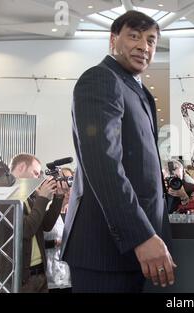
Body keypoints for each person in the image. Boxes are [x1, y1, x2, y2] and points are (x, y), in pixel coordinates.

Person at [61, 11, 175, 293]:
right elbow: (104, 164)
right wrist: (140, 236)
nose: (143, 47)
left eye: (151, 40)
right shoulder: (101, 79)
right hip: (106, 250)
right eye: (134, 36)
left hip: (129, 250)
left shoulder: (135, 88)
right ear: (113, 40)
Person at [0, 154, 68, 293]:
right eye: (35, 172)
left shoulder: (28, 193)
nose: (38, 177)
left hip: (40, 273)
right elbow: (25, 230)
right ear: (21, 167)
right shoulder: (3, 191)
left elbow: (46, 225)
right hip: (18, 277)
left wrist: (58, 197)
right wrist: (43, 198)